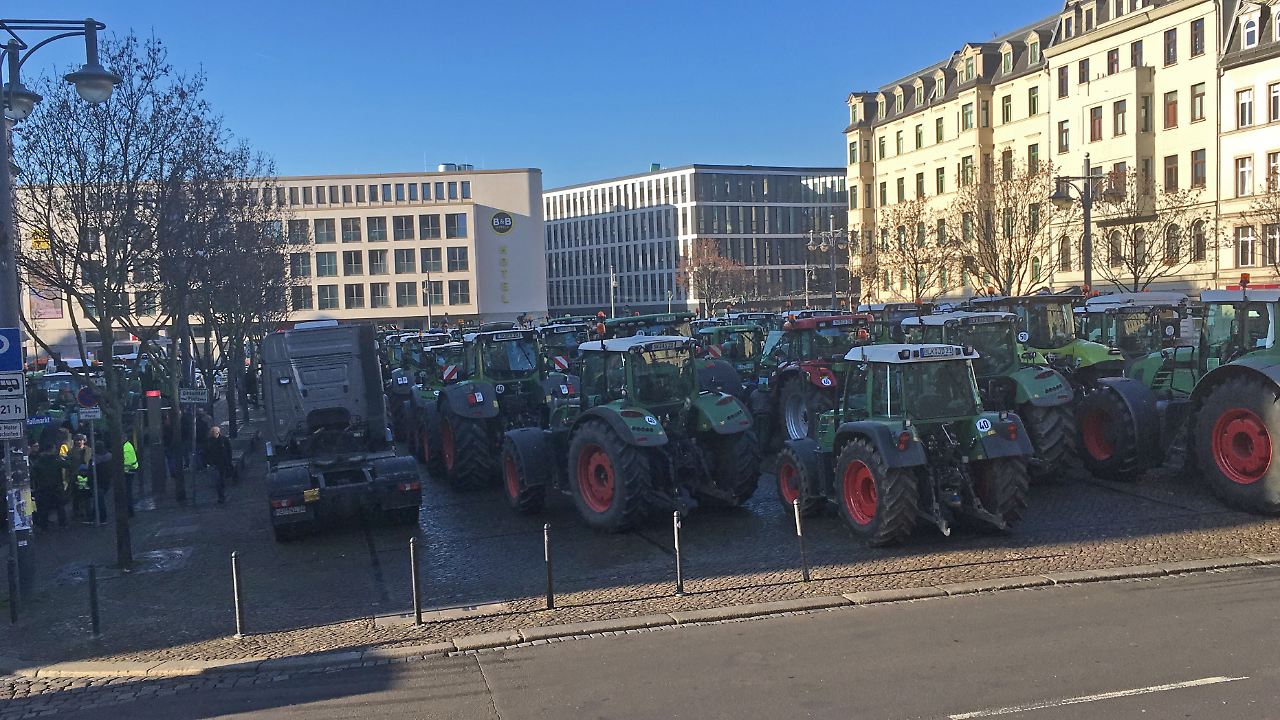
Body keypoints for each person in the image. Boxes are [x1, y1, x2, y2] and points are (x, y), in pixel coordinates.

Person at [30, 444, 67, 531]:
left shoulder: (39, 460)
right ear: (52, 449)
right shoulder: (56, 459)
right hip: (57, 486)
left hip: (43, 487)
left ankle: (44, 527)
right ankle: (63, 524)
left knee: (44, 507)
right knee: (60, 506)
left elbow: (33, 474)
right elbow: (67, 464)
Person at [202, 425, 232, 504]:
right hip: (214, 464)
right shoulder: (209, 441)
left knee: (221, 479)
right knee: (217, 480)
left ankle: (222, 494)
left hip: (222, 463)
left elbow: (229, 451)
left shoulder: (224, 440)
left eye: (214, 432)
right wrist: (206, 462)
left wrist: (229, 461)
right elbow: (204, 453)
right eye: (212, 433)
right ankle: (221, 496)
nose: (213, 434)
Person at [122, 434, 139, 518]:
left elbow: (127, 462)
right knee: (128, 492)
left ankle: (129, 511)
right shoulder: (128, 445)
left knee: (128, 492)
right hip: (130, 471)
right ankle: (129, 510)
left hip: (128, 472)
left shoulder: (126, 448)